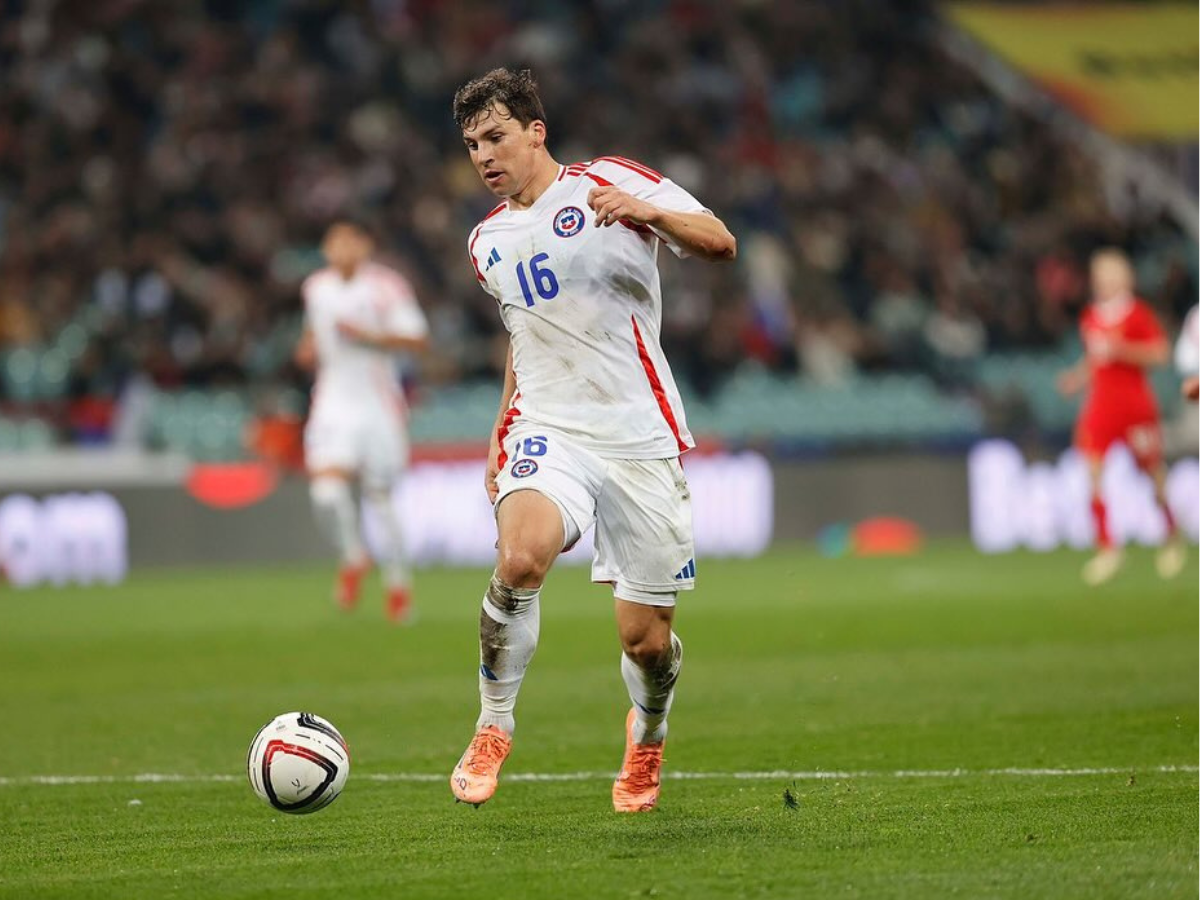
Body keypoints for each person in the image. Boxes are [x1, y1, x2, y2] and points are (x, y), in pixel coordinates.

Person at [447, 69, 736, 812]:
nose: (483, 155)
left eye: (496, 137)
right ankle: (493, 724)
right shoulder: (485, 242)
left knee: (647, 642)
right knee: (520, 557)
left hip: (638, 435)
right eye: (472, 144)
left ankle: (649, 732)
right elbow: (526, 335)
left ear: (535, 132)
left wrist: (648, 211)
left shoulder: (610, 180)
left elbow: (720, 242)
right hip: (549, 427)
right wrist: (500, 430)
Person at [293, 219, 429, 622]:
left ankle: (398, 587)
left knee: (380, 500)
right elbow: (313, 334)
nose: (340, 249)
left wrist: (368, 335)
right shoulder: (316, 288)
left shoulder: (386, 286)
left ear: (365, 245)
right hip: (331, 402)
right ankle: (354, 555)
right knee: (325, 494)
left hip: (377, 405)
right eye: (333, 242)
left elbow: (418, 338)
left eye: (348, 241)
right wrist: (307, 349)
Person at [1057, 248, 1185, 585]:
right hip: (1101, 406)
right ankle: (1107, 548)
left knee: (1153, 473)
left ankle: (1171, 535)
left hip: (1135, 407)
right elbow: (1095, 359)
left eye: (1112, 274)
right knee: (1093, 471)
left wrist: (1122, 350)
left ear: (1125, 278)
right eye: (1101, 275)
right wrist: (1076, 378)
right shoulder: (1090, 316)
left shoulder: (1137, 314)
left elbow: (1160, 353)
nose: (1105, 280)